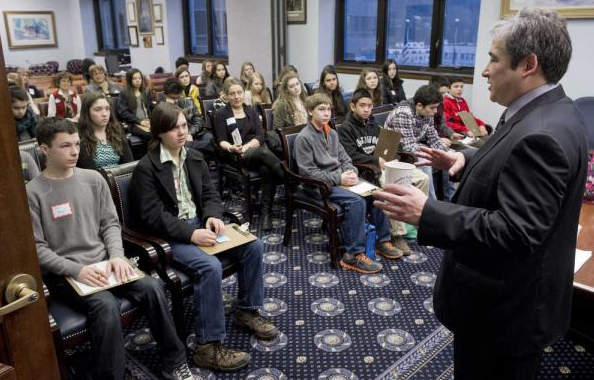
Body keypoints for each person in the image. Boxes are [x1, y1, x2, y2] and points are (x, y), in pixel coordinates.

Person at [373, 8, 587, 380]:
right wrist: (466, 159)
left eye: (493, 58)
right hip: (513, 303)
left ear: (528, 64)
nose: (485, 70)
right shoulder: (552, 112)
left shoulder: (541, 134)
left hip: (504, 313)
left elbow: (517, 232)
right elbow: (512, 162)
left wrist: (429, 212)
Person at [27, 117, 195, 380]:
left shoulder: (93, 179)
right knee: (105, 306)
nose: (75, 151)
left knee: (151, 287)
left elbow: (110, 224)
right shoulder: (33, 192)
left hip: (105, 263)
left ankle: (174, 362)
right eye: (65, 146)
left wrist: (117, 256)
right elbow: (37, 249)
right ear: (44, 149)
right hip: (67, 274)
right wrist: (77, 270)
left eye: (77, 144)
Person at [131, 102, 279, 372]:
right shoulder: (146, 168)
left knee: (253, 246)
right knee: (209, 267)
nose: (181, 132)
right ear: (159, 132)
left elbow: (211, 195)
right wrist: (191, 233)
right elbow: (152, 217)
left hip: (201, 225)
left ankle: (247, 311)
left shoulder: (194, 156)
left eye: (184, 126)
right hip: (172, 236)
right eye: (174, 128)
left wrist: (213, 216)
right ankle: (207, 347)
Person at [294, 93, 401, 273]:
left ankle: (382, 240)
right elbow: (308, 173)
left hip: (339, 180)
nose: (326, 113)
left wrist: (352, 171)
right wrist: (339, 178)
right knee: (356, 201)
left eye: (328, 109)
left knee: (376, 192)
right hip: (318, 186)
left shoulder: (332, 133)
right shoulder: (304, 138)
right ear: (310, 111)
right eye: (321, 109)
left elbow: (345, 158)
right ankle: (353, 254)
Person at [338, 88, 429, 255]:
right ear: (352, 106)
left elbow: (387, 146)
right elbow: (350, 155)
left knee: (423, 178)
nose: (366, 109)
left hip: (385, 165)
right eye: (362, 106)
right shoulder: (345, 129)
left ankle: (417, 222)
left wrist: (393, 154)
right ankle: (397, 234)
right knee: (394, 185)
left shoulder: (375, 125)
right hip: (368, 170)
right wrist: (376, 161)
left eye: (370, 106)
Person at [213, 78, 284, 230]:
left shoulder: (251, 111)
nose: (237, 96)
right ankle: (288, 178)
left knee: (267, 169)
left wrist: (247, 146)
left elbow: (260, 135)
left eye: (239, 92)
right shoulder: (221, 114)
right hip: (235, 154)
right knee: (265, 153)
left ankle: (266, 213)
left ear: (243, 93)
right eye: (232, 93)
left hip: (252, 149)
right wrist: (233, 148)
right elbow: (221, 140)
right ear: (226, 95)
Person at [384, 85, 450, 200]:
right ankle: (431, 204)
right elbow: (408, 147)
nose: (435, 111)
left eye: (436, 107)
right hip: (394, 152)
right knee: (426, 160)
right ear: (419, 105)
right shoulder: (404, 113)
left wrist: (447, 154)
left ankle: (446, 199)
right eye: (433, 108)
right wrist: (430, 152)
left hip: (414, 146)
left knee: (445, 156)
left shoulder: (426, 112)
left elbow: (433, 138)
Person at [77, 93, 133, 170]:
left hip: (119, 178)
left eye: (107, 109)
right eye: (98, 109)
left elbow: (129, 163)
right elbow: (89, 170)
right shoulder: (80, 136)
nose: (104, 114)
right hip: (95, 180)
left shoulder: (117, 130)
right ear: (87, 112)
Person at [162, 78, 212, 156]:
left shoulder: (188, 101)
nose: (176, 101)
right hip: (178, 138)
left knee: (210, 138)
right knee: (207, 146)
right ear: (165, 95)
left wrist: (189, 133)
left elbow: (199, 121)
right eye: (172, 98)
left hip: (196, 134)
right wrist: (184, 135)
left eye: (178, 97)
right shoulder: (161, 109)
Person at [116, 68, 154, 142]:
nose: (138, 80)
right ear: (129, 80)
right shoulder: (124, 93)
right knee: (148, 135)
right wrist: (139, 121)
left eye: (140, 78)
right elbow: (124, 112)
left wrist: (153, 120)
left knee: (163, 131)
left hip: (148, 121)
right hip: (133, 123)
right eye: (134, 78)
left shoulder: (146, 92)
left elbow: (151, 107)